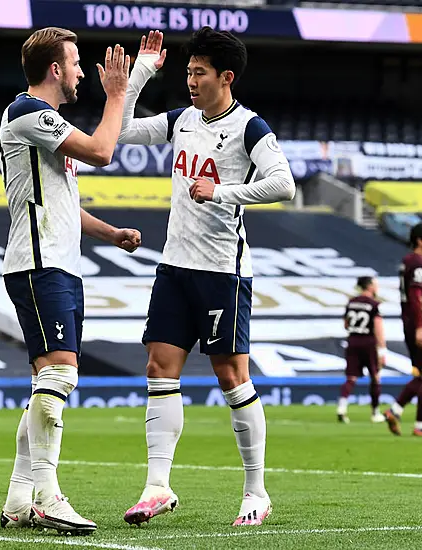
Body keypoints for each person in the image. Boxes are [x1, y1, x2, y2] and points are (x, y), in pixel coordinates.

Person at [118, 28, 295, 527]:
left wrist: (221, 192)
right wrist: (140, 74)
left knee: (231, 377)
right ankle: (156, 487)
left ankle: (256, 491)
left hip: (223, 271)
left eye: (200, 72)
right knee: (158, 368)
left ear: (226, 77)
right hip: (175, 265)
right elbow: (123, 131)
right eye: (188, 71)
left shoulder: (249, 128)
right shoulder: (182, 121)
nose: (191, 80)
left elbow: (285, 184)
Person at [0, 27, 142, 534]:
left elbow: (65, 202)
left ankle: (20, 498)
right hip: (40, 264)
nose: (83, 72)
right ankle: (47, 495)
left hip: (58, 262)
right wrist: (119, 95)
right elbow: (103, 151)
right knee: (59, 375)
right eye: (76, 63)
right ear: (55, 69)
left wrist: (111, 232)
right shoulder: (27, 113)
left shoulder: (45, 123)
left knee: (48, 380)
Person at [383, 223, 422, 437]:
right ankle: (421, 425)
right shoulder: (418, 263)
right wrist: (421, 327)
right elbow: (416, 297)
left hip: (409, 323)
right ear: (419, 240)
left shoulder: (407, 261)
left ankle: (395, 411)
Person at [337, 276, 386, 424]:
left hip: (352, 340)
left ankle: (342, 408)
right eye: (375, 284)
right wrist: (382, 350)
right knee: (375, 377)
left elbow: (346, 324)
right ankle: (375, 413)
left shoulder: (351, 302)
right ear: (370, 286)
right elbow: (378, 328)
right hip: (368, 342)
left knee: (351, 377)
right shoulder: (374, 304)